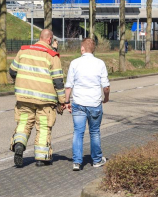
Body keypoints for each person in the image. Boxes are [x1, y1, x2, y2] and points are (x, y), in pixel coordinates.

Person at [9, 29, 66, 167]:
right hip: (45, 101)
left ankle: (19, 145)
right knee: (44, 127)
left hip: (24, 98)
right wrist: (62, 101)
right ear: (49, 40)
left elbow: (12, 71)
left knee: (24, 123)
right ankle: (41, 158)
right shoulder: (52, 56)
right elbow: (58, 82)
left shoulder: (23, 51)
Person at [64, 38, 110, 171]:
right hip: (94, 103)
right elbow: (106, 86)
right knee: (94, 132)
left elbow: (69, 85)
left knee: (78, 132)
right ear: (93, 49)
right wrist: (106, 97)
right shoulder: (100, 63)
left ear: (82, 49)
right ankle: (96, 160)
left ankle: (77, 162)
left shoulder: (74, 63)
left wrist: (67, 101)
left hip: (78, 103)